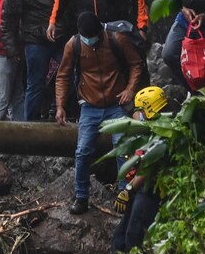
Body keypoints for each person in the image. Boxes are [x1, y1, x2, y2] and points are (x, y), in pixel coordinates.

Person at [55, 11, 143, 214]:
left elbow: (135, 64)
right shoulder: (74, 45)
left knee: (122, 148)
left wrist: (130, 89)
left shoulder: (116, 39)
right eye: (86, 37)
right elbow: (63, 75)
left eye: (93, 36)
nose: (90, 40)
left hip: (116, 104)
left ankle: (124, 193)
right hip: (90, 105)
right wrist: (60, 105)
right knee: (83, 151)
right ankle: (81, 197)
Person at [1, 0, 67, 120]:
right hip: (35, 40)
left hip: (61, 35)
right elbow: (8, 20)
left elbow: (70, 2)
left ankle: (70, 115)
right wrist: (12, 49)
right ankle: (31, 124)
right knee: (35, 83)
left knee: (72, 74)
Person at [112, 86, 169, 254]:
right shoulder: (149, 132)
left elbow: (149, 165)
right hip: (140, 190)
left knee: (134, 237)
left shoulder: (162, 134)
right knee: (120, 238)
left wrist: (128, 189)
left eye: (137, 111)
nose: (134, 115)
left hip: (150, 192)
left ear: (147, 111)